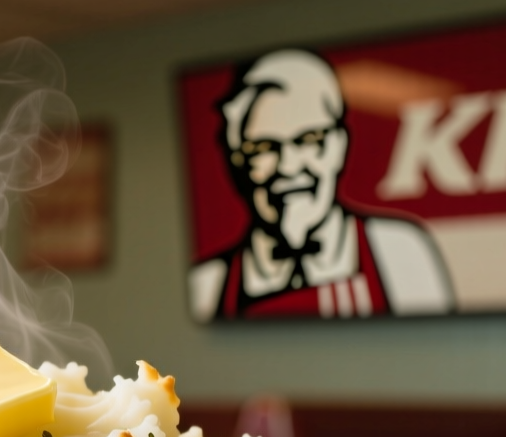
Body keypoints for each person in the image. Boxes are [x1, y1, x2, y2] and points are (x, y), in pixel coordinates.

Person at [188, 49, 454, 322]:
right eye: (264, 148)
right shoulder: (208, 283)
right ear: (237, 161)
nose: (288, 166)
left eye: (309, 140)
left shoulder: (399, 251)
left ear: (339, 146)